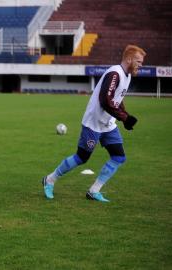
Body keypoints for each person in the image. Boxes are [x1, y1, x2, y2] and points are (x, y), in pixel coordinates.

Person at [42, 45, 146, 202]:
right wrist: (124, 118)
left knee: (119, 157)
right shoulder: (114, 74)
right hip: (94, 123)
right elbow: (105, 100)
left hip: (108, 123)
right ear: (129, 59)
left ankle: (94, 190)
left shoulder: (128, 76)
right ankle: (49, 179)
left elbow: (118, 98)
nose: (141, 65)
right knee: (81, 157)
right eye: (138, 61)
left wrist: (125, 117)